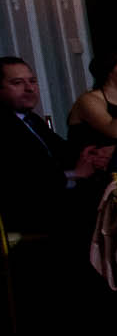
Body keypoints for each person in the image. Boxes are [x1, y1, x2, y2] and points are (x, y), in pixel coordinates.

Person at [2, 55, 110, 236]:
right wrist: (76, 173)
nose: (29, 88)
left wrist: (91, 154)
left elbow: (64, 152)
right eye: (17, 83)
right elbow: (21, 180)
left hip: (58, 203)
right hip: (31, 214)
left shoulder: (31, 119)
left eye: (33, 81)